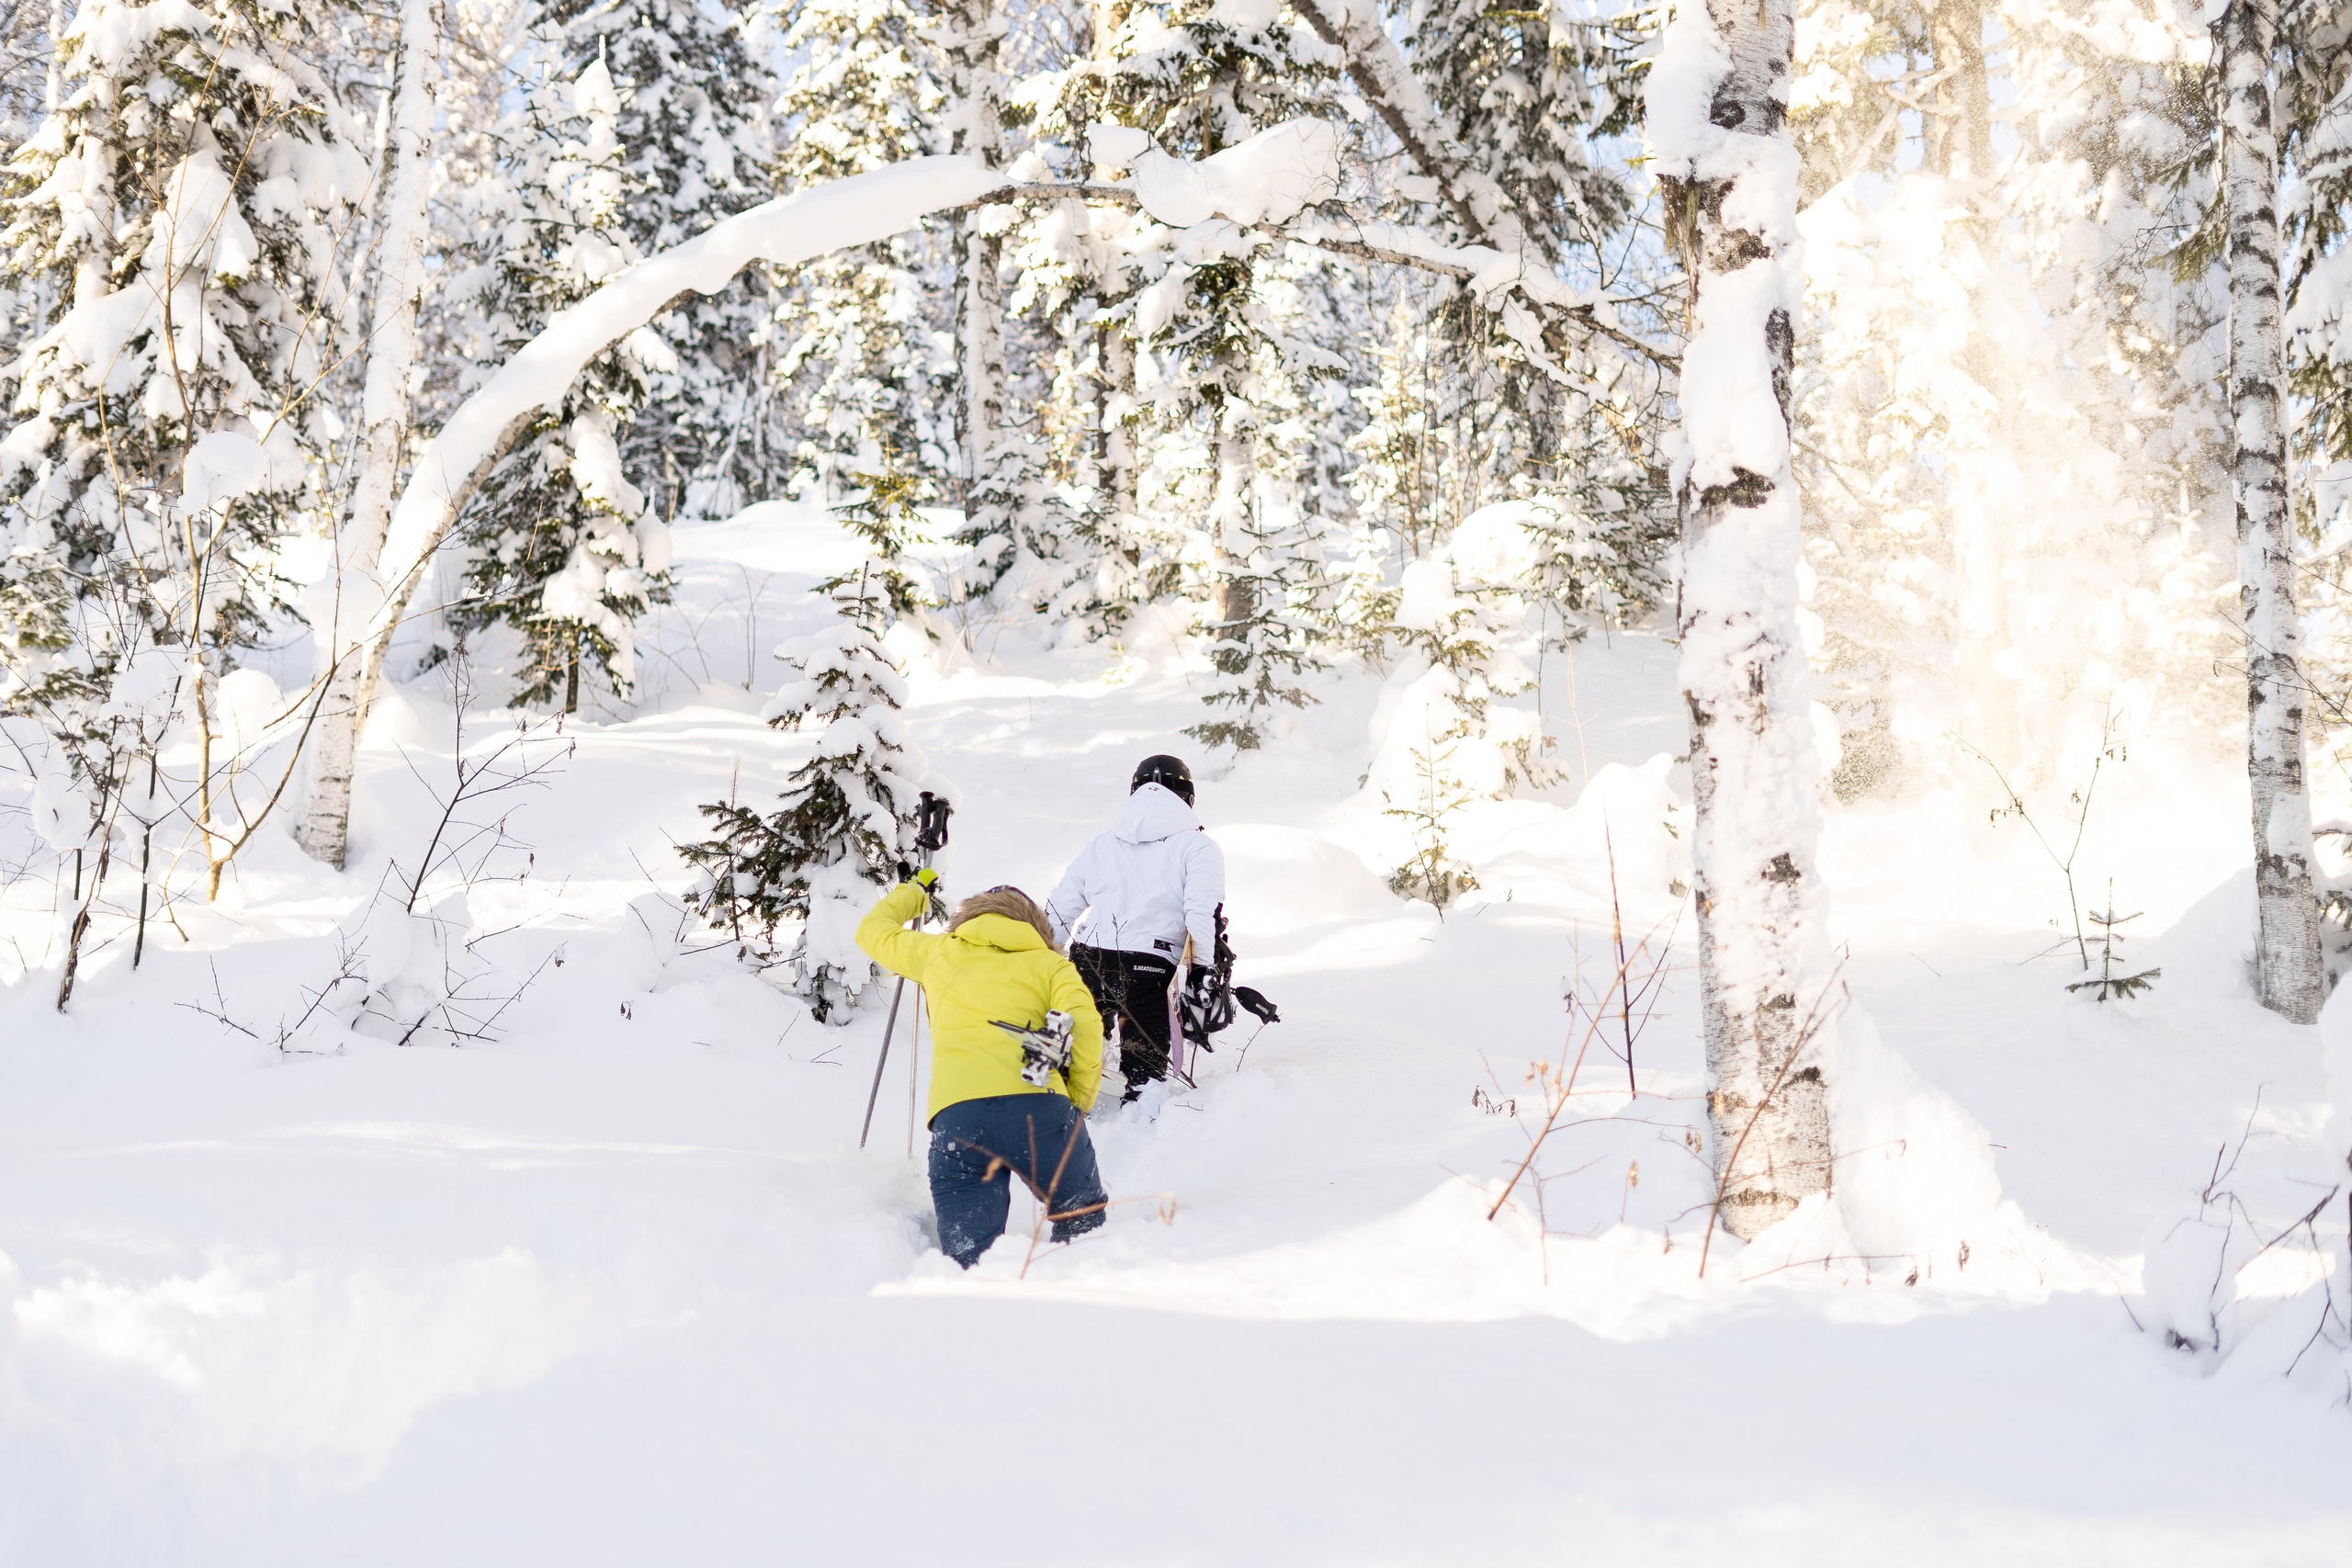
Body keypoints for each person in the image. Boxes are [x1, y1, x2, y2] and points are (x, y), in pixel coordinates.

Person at [856, 873, 1109, 1269]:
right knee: (1083, 1224)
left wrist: (915, 893)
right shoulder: (1049, 964)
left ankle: (975, 1315)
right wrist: (1076, 1101)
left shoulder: (937, 953)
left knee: (969, 1258)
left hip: (959, 1118)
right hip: (1039, 1107)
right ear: (1035, 928)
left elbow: (871, 931)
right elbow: (1085, 1023)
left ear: (967, 921)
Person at [1046, 753, 1225, 1100]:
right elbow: (1201, 915)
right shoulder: (1199, 847)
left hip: (1089, 960)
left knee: (1077, 1050)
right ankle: (1136, 1124)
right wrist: (1203, 968)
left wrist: (1042, 956)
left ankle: (1070, 1110)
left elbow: (1061, 906)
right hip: (1149, 970)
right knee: (1144, 1084)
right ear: (1188, 797)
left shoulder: (1102, 844)